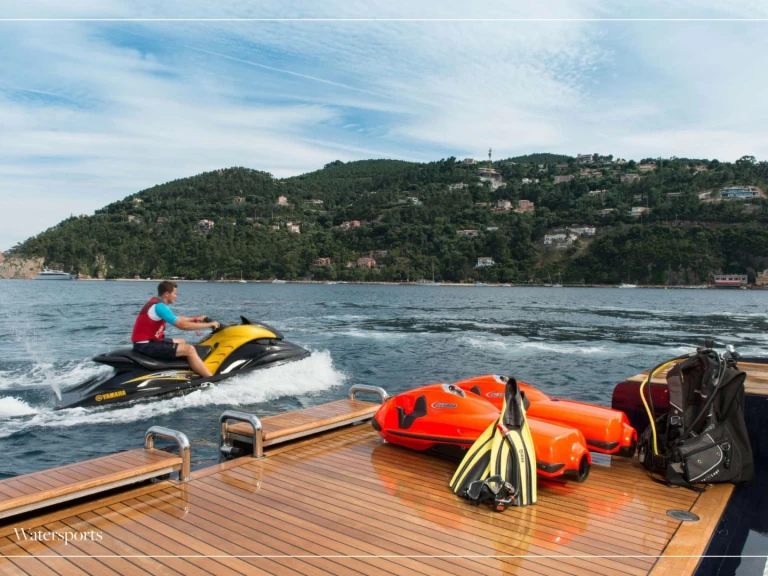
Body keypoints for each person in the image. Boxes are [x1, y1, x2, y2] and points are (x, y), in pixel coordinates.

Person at [131, 281, 220, 377]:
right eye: (174, 293)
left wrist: (197, 319)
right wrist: (210, 325)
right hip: (146, 345)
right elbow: (183, 325)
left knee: (182, 341)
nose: (176, 296)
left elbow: (176, 318)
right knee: (189, 349)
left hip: (149, 342)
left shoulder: (156, 303)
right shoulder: (160, 307)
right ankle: (210, 378)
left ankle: (185, 370)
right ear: (166, 294)